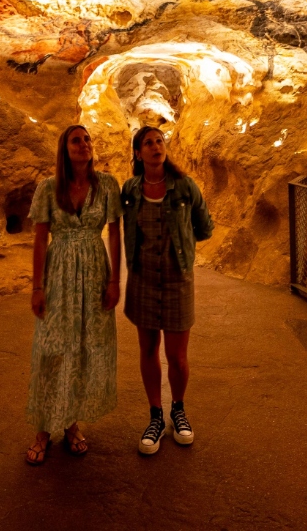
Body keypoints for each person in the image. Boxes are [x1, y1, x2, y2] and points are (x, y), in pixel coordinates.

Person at [25, 124, 122, 465]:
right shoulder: (49, 188)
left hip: (95, 272)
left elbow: (114, 233)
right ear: (64, 150)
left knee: (84, 348)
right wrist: (37, 287)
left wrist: (114, 282)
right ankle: (42, 428)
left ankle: (70, 423)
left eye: (87, 139)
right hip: (60, 273)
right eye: (76, 140)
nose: (84, 144)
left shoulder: (107, 185)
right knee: (52, 349)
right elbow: (39, 239)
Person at [121, 125, 214, 455]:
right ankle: (155, 416)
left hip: (177, 281)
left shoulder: (185, 187)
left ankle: (178, 410)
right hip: (143, 280)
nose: (156, 146)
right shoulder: (131, 189)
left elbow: (205, 227)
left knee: (176, 354)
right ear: (138, 153)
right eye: (148, 143)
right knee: (148, 350)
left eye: (159, 141)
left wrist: (182, 249)